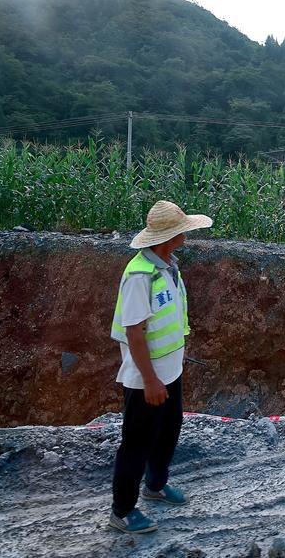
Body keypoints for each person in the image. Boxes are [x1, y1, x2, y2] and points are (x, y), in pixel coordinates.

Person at [108, 200, 212, 534]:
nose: (186, 234)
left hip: (170, 373)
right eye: (182, 230)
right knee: (136, 443)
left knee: (168, 432)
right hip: (146, 380)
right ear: (170, 236)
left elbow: (171, 320)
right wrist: (151, 381)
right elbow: (134, 333)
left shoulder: (168, 266)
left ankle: (155, 485)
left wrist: (174, 362)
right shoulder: (140, 276)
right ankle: (122, 511)